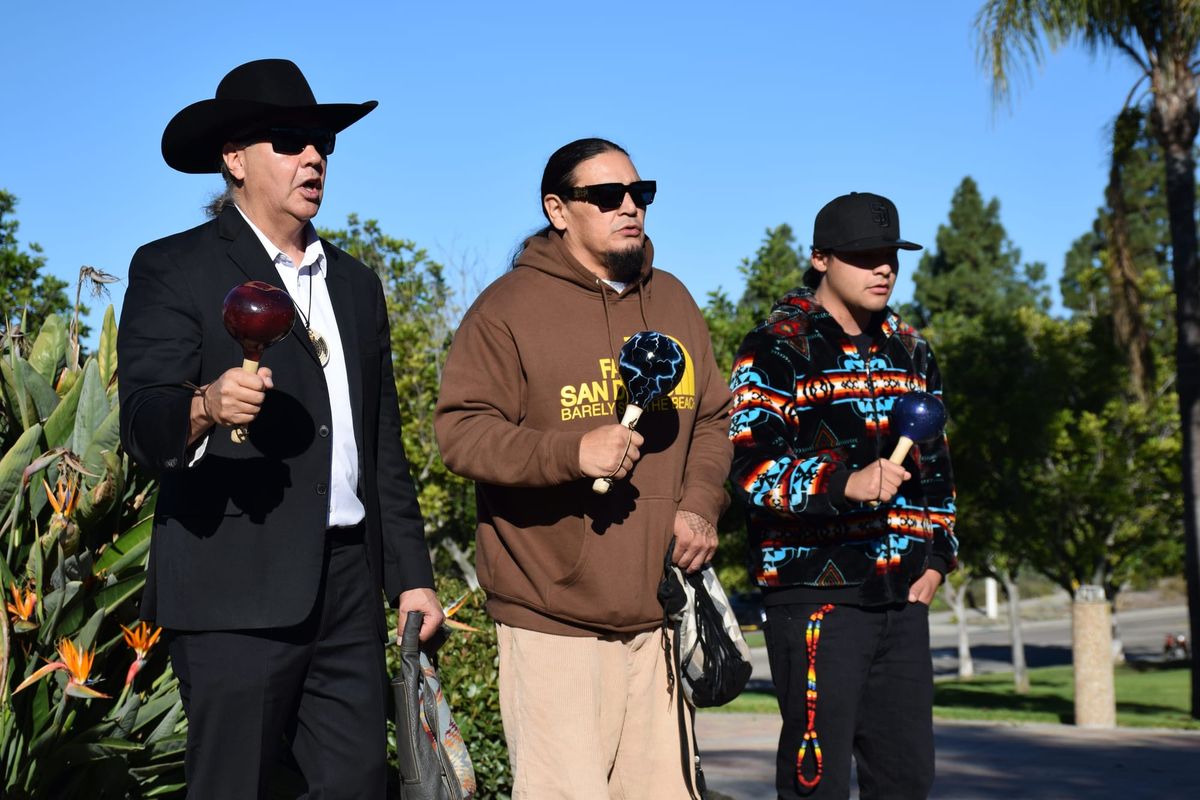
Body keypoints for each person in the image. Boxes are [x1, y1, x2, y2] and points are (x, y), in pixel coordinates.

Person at [117, 58, 443, 800]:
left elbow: (380, 443)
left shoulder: (354, 283)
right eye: (290, 140)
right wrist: (203, 406)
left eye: (323, 141)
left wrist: (413, 578)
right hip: (233, 587)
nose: (314, 156)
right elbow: (143, 421)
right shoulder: (176, 268)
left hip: (348, 586)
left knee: (358, 785)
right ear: (233, 160)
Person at [434, 138, 733, 799]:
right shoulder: (508, 308)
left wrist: (699, 504)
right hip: (551, 617)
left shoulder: (674, 302)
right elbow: (460, 433)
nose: (629, 207)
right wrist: (570, 453)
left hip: (657, 616)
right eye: (606, 196)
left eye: (640, 193)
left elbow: (713, 418)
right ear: (558, 209)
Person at [729, 192, 957, 799]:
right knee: (815, 783)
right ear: (821, 258)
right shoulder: (775, 348)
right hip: (815, 601)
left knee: (906, 779)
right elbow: (748, 469)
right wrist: (843, 483)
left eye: (891, 255)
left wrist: (936, 558)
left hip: (903, 597)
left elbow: (937, 468)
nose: (883, 267)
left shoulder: (913, 350)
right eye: (865, 256)